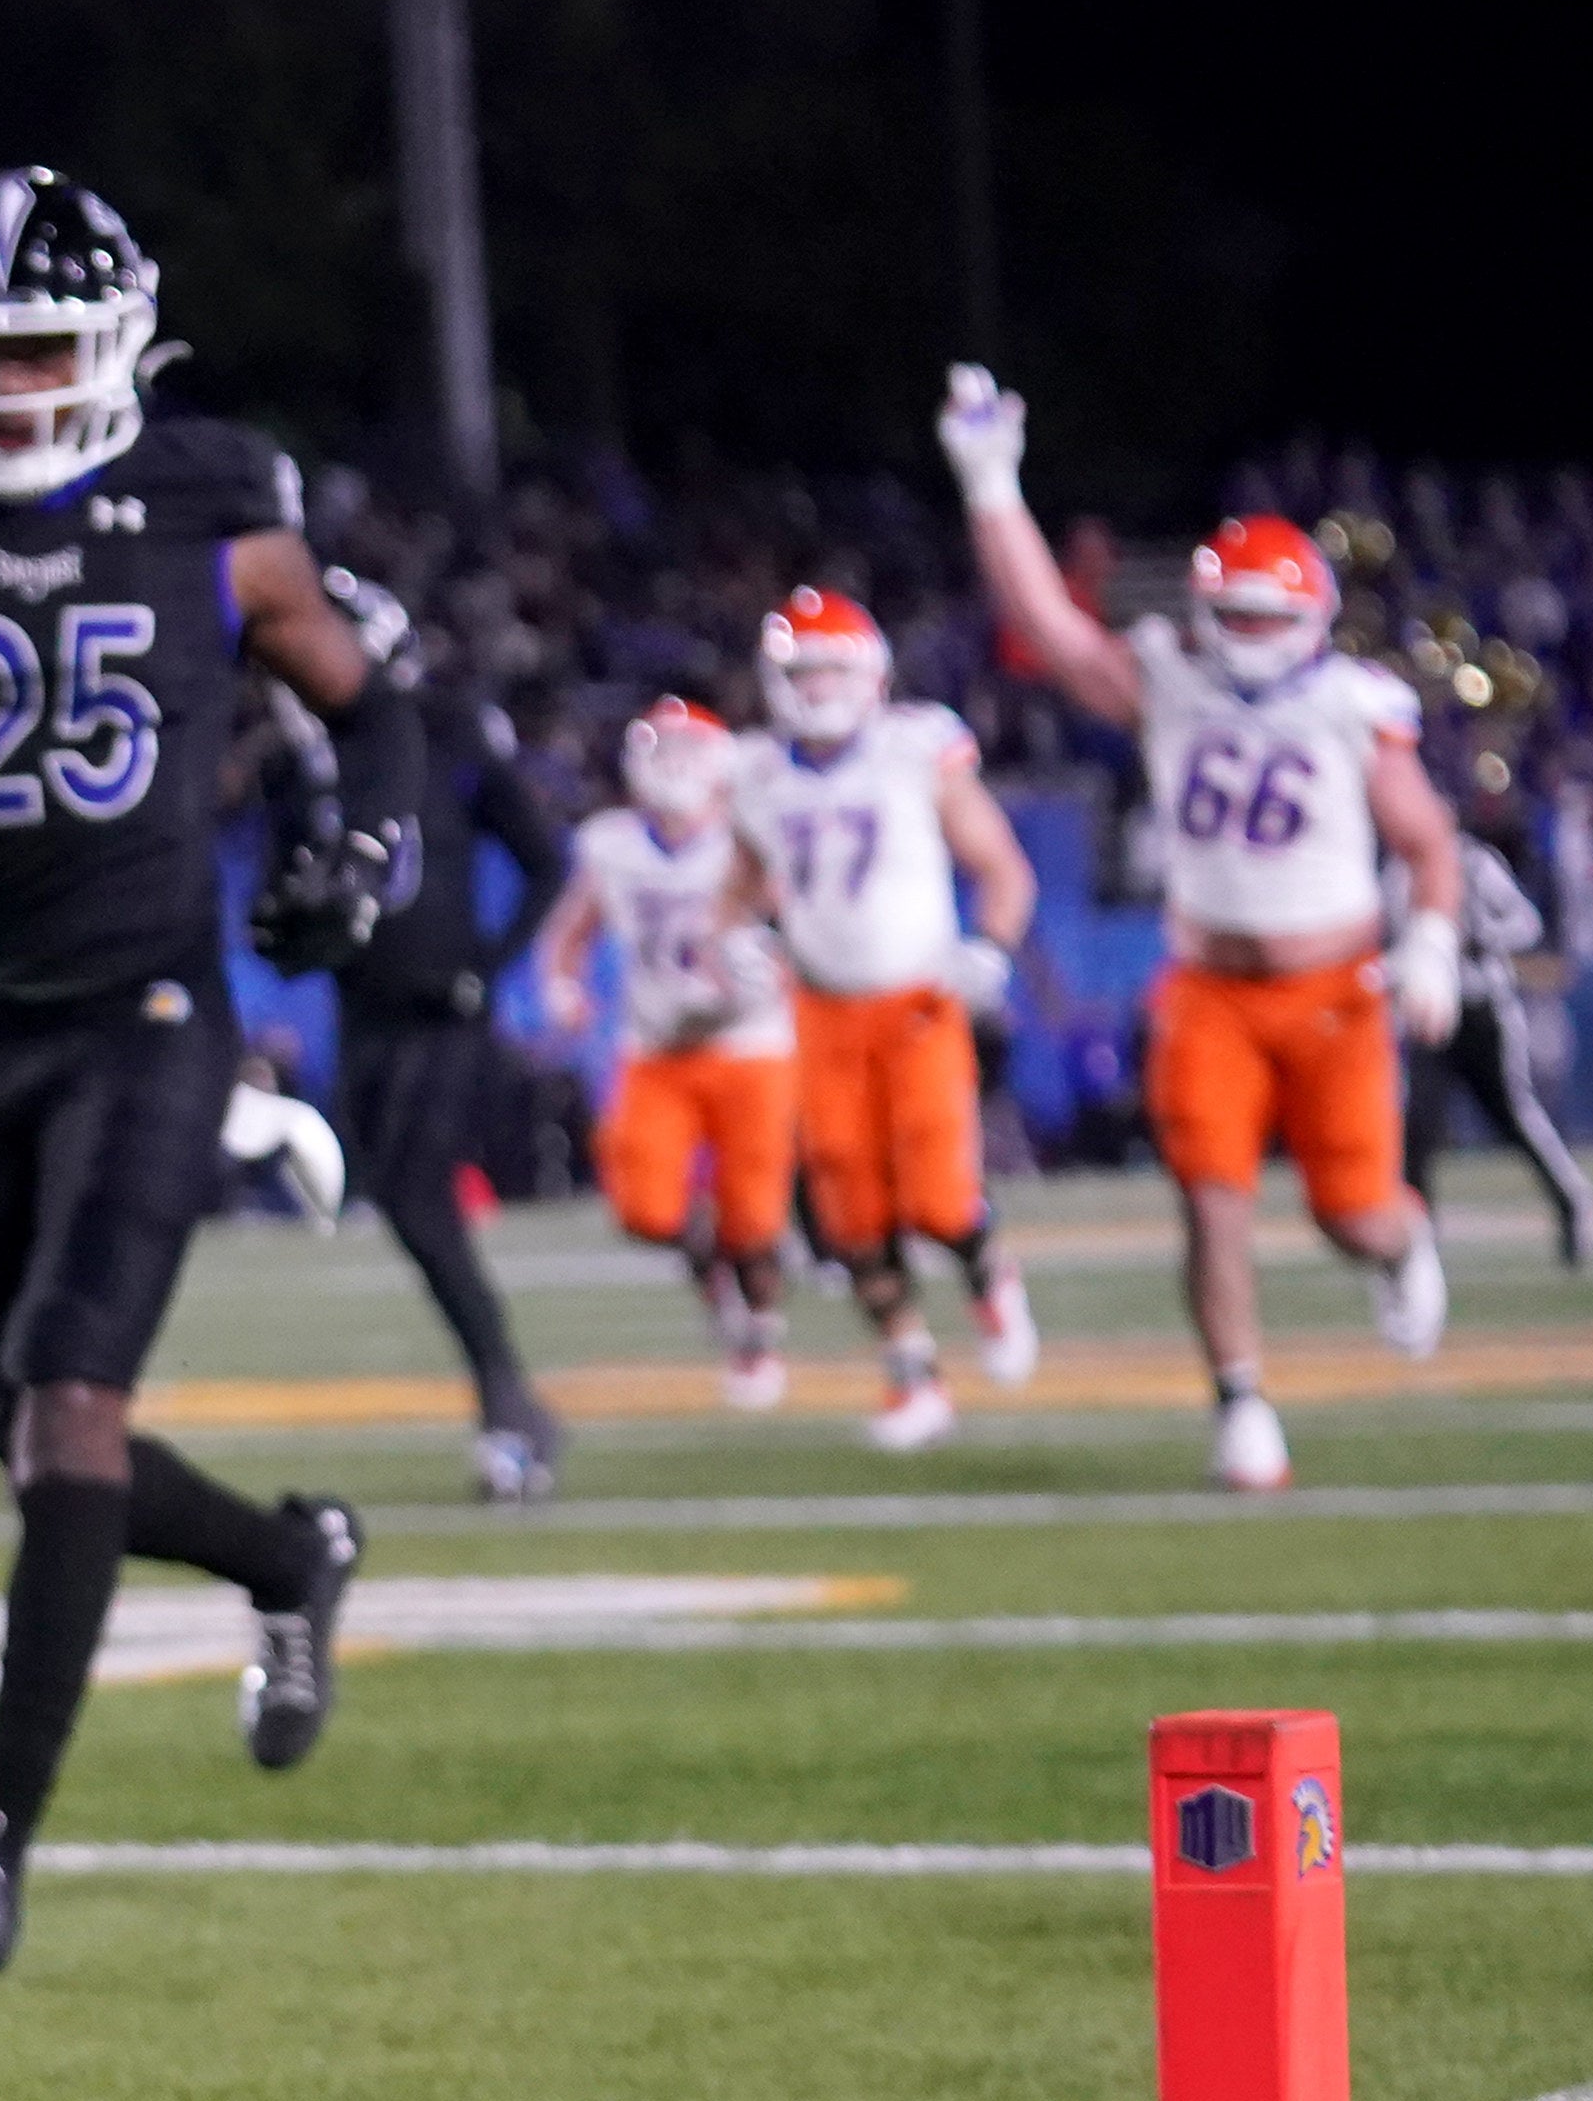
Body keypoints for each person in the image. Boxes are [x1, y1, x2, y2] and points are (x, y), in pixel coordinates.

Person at [0, 166, 388, 1974]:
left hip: (147, 1014)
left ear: (117, 347)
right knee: (32, 1439)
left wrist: (358, 847)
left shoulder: (214, 502)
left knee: (64, 1414)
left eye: (36, 355)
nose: (3, 396)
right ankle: (287, 1561)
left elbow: (376, 705)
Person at [944, 370, 1460, 1490]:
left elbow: (1426, 842)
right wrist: (991, 483)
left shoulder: (1352, 706)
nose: (1244, 633)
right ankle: (1239, 1402)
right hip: (1208, 985)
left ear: (1314, 616)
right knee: (1209, 1199)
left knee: (1351, 1216)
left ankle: (1405, 1240)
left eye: (1266, 616)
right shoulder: (1171, 680)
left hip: (1333, 986)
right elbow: (1045, 624)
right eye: (1230, 612)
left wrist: (1430, 942)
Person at [742, 585, 1043, 1449]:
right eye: (800, 670)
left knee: (941, 1200)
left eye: (831, 667)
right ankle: (912, 1373)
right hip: (820, 1013)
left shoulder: (915, 750)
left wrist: (992, 945)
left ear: (870, 673)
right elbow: (745, 883)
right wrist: (742, 936)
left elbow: (1001, 866)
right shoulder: (760, 774)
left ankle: (990, 1272)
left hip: (915, 1003)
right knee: (851, 1216)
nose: (816, 686)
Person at [296, 574, 572, 1496]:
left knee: (420, 1201)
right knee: (411, 1212)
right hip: (361, 1012)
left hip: (441, 1013)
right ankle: (511, 1399)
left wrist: (487, 967)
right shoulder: (296, 757)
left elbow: (542, 857)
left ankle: (508, 1405)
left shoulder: (443, 728)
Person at [531, 701, 801, 1411]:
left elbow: (800, 924)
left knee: (757, 1218)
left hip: (748, 1041)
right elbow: (569, 931)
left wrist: (773, 965)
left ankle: (759, 1335)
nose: (675, 766)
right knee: (647, 1210)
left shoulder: (747, 838)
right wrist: (561, 985)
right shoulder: (612, 844)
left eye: (689, 750)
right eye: (663, 749)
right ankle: (716, 1278)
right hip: (656, 1046)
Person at [1398, 781, 1593, 1269]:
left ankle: (1573, 1202)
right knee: (1418, 1128)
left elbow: (1525, 925)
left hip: (1484, 1009)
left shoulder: (1475, 863)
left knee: (1515, 1118)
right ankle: (1418, 1241)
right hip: (1429, 1011)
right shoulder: (1398, 871)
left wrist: (1480, 936)